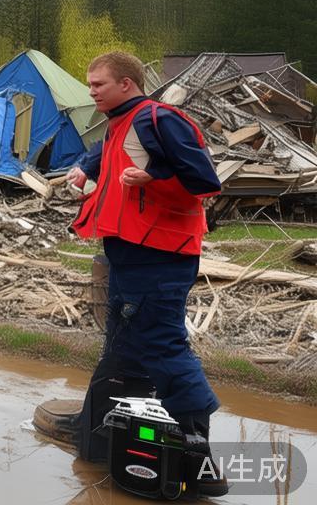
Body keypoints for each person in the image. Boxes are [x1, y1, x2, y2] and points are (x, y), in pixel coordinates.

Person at [37, 51, 227, 497]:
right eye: (89, 84)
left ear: (126, 83)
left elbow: (204, 180)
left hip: (159, 256)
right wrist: (86, 165)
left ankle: (198, 453)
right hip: (127, 252)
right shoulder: (123, 121)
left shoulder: (159, 118)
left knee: (162, 344)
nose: (90, 91)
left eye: (97, 84)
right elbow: (109, 148)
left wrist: (152, 181)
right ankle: (99, 431)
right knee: (123, 343)